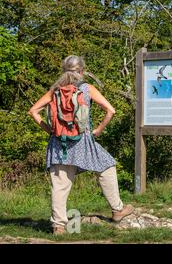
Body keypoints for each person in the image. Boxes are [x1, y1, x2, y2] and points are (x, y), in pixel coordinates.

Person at [28, 55, 133, 235]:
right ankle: (117, 210)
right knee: (107, 165)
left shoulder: (55, 91)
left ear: (64, 71)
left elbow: (33, 111)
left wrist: (50, 131)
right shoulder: (87, 88)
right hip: (82, 140)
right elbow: (111, 110)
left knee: (60, 184)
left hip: (58, 142)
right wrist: (98, 129)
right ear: (82, 71)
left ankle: (59, 226)